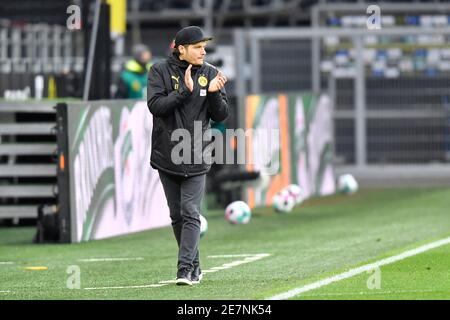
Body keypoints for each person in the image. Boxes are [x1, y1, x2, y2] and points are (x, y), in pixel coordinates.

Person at [147, 26, 229, 285]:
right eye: (197, 46)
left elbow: (221, 115)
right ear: (181, 49)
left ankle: (184, 270)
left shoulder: (211, 73)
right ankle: (194, 265)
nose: (203, 51)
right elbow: (156, 106)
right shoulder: (159, 71)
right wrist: (184, 90)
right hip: (166, 154)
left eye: (204, 46)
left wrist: (214, 94)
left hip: (196, 153)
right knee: (177, 215)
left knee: (190, 210)